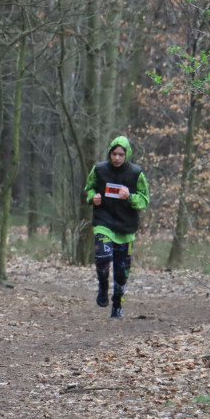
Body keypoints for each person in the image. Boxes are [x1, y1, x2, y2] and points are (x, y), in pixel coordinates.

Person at [84, 136, 149, 318]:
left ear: (127, 154)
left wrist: (130, 197)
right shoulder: (99, 169)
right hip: (103, 222)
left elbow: (144, 200)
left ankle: (117, 302)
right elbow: (89, 188)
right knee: (103, 258)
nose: (117, 158)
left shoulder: (136, 173)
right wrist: (92, 197)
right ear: (110, 153)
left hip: (125, 227)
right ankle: (103, 287)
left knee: (121, 272)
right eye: (114, 154)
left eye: (121, 154)